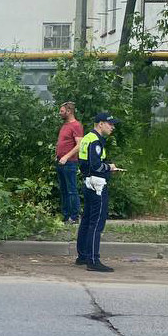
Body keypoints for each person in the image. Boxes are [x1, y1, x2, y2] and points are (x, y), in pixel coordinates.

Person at [76, 112, 122, 272]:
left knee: (87, 221)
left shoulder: (87, 138)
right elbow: (95, 166)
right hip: (97, 185)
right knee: (96, 223)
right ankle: (93, 260)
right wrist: (110, 167)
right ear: (100, 124)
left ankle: (82, 256)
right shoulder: (95, 141)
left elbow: (86, 163)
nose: (113, 127)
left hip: (88, 183)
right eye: (110, 124)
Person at [54, 102, 83, 225]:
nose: (60, 113)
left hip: (69, 162)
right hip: (60, 161)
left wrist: (66, 156)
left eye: (62, 111)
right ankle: (66, 216)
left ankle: (74, 216)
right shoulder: (65, 125)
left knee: (71, 190)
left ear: (69, 111)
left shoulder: (76, 125)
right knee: (64, 190)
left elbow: (79, 145)